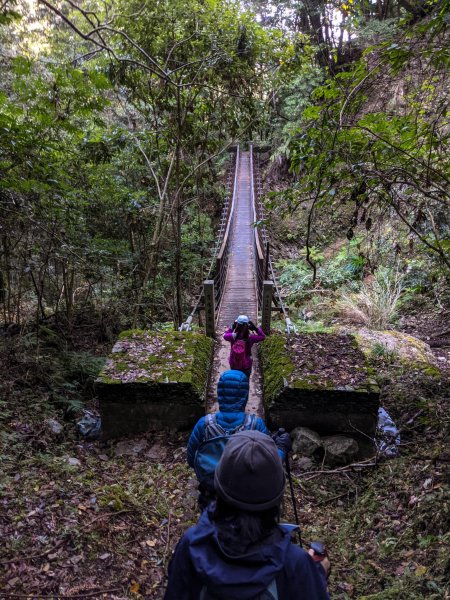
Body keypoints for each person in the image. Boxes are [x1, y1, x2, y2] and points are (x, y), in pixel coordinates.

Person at [165, 430, 330, 600]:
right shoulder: (296, 563)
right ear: (277, 498)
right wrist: (317, 571)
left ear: (219, 488)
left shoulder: (192, 544)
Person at [187, 370, 290, 509]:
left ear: (220, 393)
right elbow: (269, 465)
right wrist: (281, 448)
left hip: (212, 490)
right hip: (245, 493)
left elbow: (192, 459)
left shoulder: (204, 424)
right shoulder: (255, 425)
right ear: (245, 395)